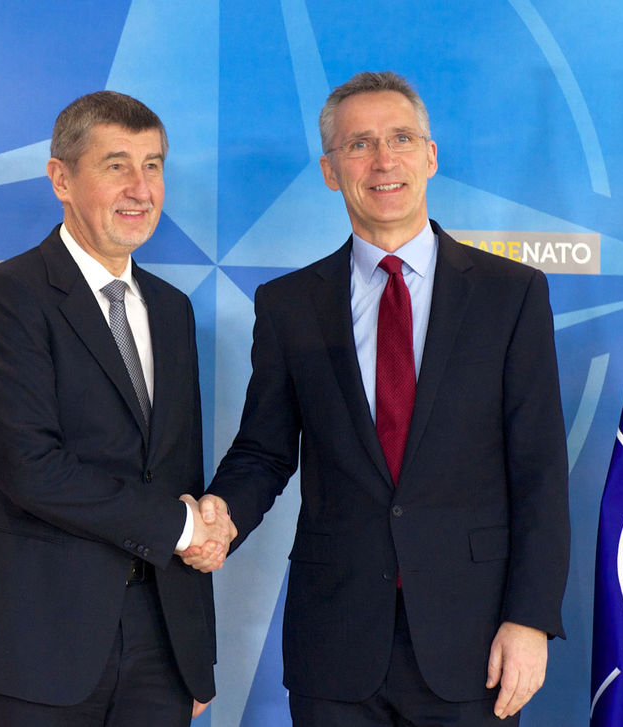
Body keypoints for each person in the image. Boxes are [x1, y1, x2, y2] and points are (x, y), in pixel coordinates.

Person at [187, 71, 569, 725]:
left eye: (401, 139)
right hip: (335, 643)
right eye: (359, 144)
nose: (384, 160)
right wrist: (220, 517)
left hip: (473, 641)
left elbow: (539, 470)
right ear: (331, 171)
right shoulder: (289, 306)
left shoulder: (511, 295)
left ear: (431, 156)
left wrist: (530, 618)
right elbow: (263, 451)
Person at [0, 90, 235, 727]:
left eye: (153, 166)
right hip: (29, 644)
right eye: (116, 165)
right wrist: (182, 528)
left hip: (158, 648)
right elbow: (30, 467)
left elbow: (175, 476)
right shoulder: (9, 296)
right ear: (61, 179)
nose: (140, 189)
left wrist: (193, 653)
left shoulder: (172, 309)